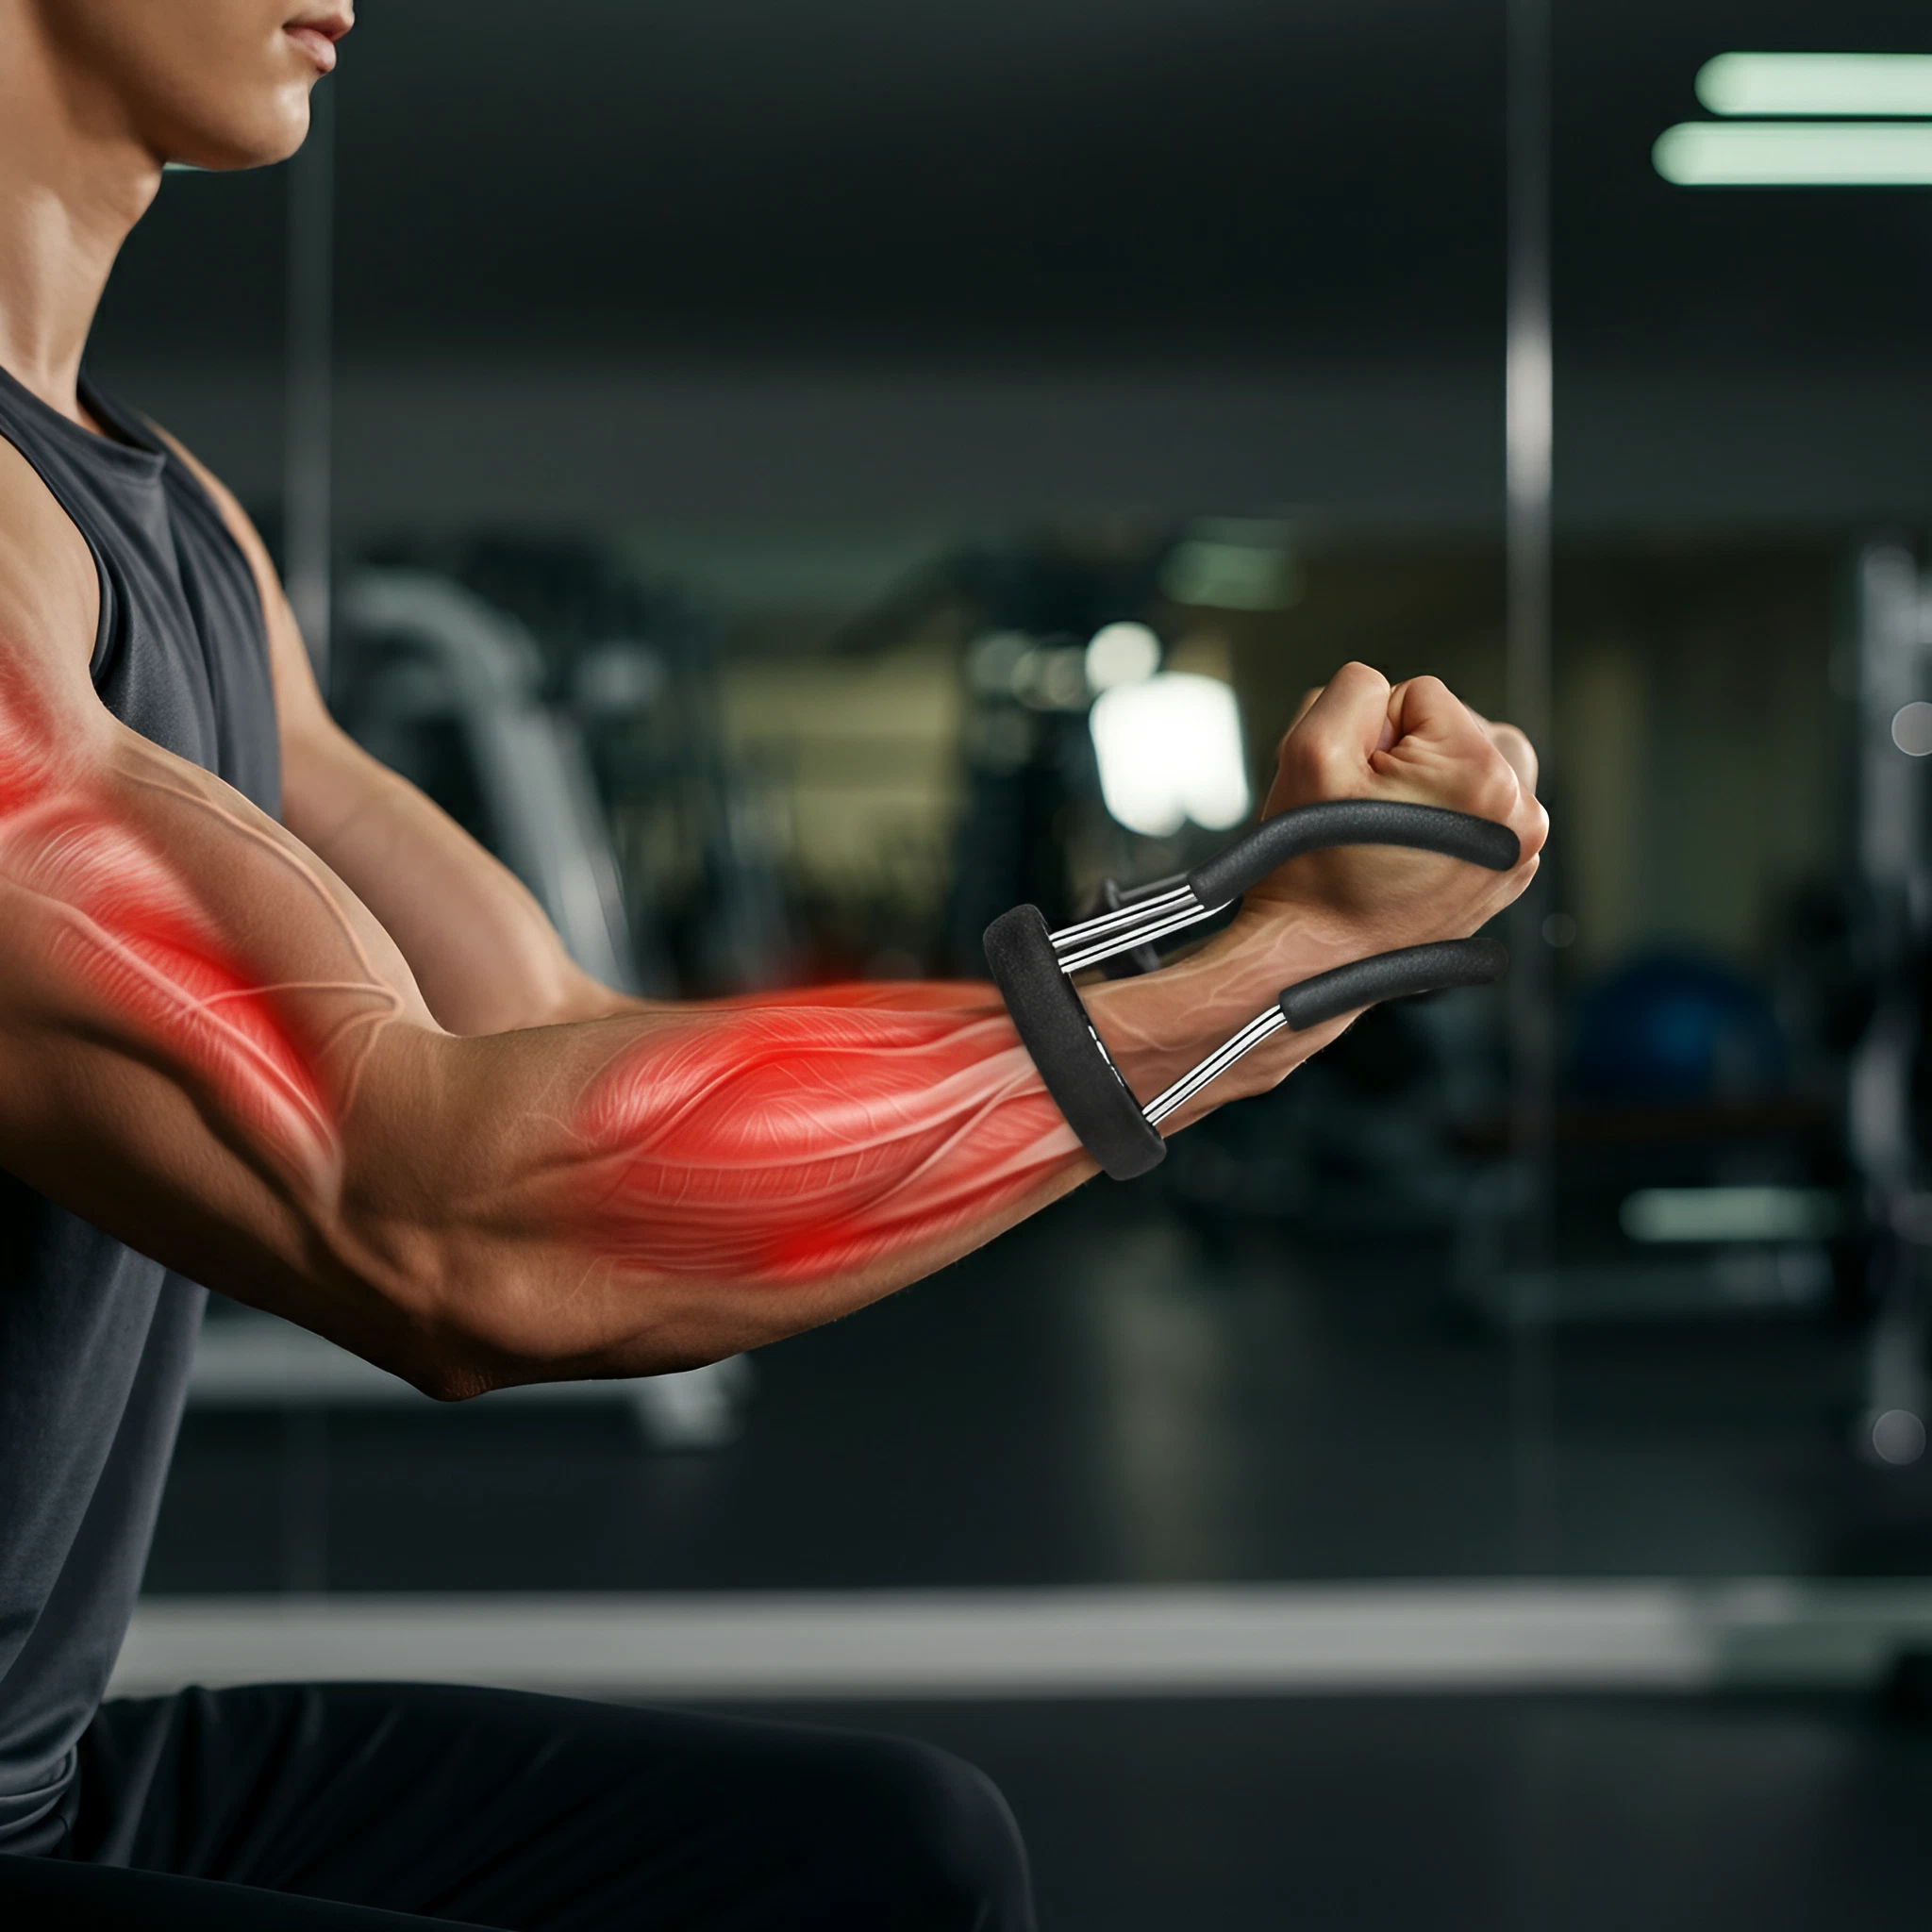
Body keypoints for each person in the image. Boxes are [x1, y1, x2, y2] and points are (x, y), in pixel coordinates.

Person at [0, 3, 1547, 1926]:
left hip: (40, 1773)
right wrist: (1253, 971)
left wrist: (1251, 961)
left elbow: (552, 1047)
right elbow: (440, 1221)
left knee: (881, 1859)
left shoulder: (177, 523)